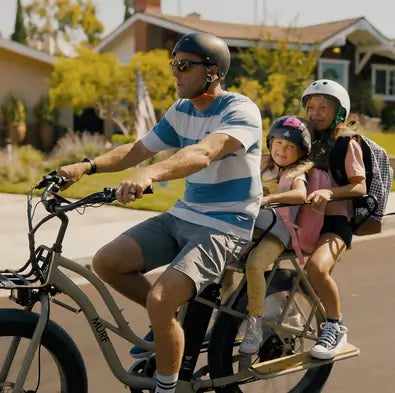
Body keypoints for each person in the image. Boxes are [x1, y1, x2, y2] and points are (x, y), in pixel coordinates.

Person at [57, 32, 263, 393]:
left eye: (184, 65)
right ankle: (169, 322)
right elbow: (137, 150)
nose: (175, 73)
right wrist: (86, 166)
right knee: (107, 263)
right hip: (184, 214)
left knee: (160, 298)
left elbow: (203, 152)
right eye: (174, 65)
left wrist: (151, 174)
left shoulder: (239, 110)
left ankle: (168, 386)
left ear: (212, 71)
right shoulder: (181, 111)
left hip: (225, 224)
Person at [301, 79, 366, 360]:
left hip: (334, 223)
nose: (315, 113)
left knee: (316, 269)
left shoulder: (345, 144)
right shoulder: (301, 140)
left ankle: (335, 327)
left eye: (323, 107)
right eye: (311, 107)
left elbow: (359, 186)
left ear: (339, 112)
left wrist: (329, 191)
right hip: (301, 219)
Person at [239, 115, 314, 354]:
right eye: (278, 144)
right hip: (249, 229)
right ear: (270, 143)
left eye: (290, 146)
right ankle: (223, 318)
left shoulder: (295, 174)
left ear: (300, 153)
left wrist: (271, 198)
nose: (282, 150)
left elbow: (300, 195)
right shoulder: (263, 168)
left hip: (275, 233)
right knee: (218, 263)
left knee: (255, 264)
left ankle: (254, 326)